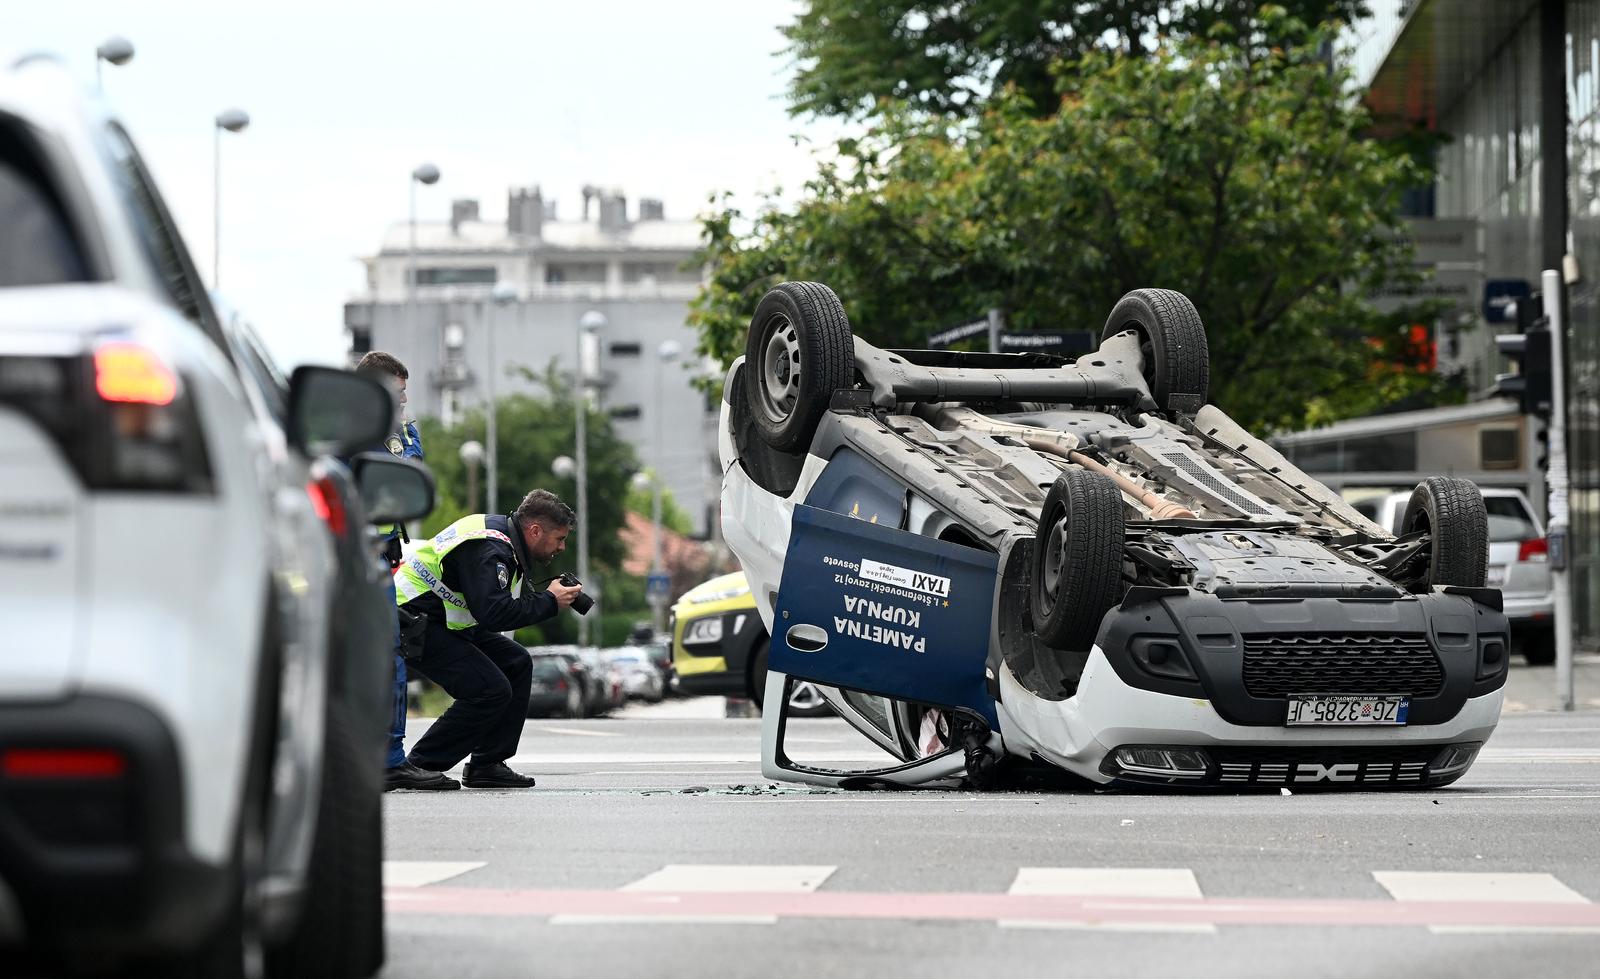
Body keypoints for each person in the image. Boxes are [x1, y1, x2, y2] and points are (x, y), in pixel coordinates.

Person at [394, 490, 584, 788]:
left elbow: (491, 608)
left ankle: (488, 764)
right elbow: (495, 614)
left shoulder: (505, 540)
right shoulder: (491, 550)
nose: (561, 547)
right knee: (489, 689)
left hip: (442, 616)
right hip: (413, 616)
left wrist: (546, 599)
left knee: (516, 662)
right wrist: (549, 601)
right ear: (535, 530)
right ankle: (422, 764)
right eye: (559, 539)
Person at [353, 351, 446, 792]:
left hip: (375, 553)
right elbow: (405, 472)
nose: (403, 400)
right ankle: (388, 759)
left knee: (383, 656)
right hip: (358, 556)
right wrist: (404, 436)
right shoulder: (363, 431)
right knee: (386, 657)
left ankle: (381, 757)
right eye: (398, 392)